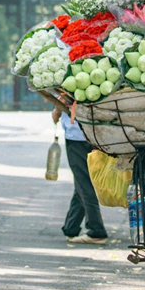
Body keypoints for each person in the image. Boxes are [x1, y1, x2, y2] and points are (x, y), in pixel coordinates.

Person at [52, 103, 108, 245]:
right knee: (81, 181)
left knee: (84, 181)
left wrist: (57, 109)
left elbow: (65, 94)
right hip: (98, 132)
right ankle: (71, 227)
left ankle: (96, 230)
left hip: (77, 134)